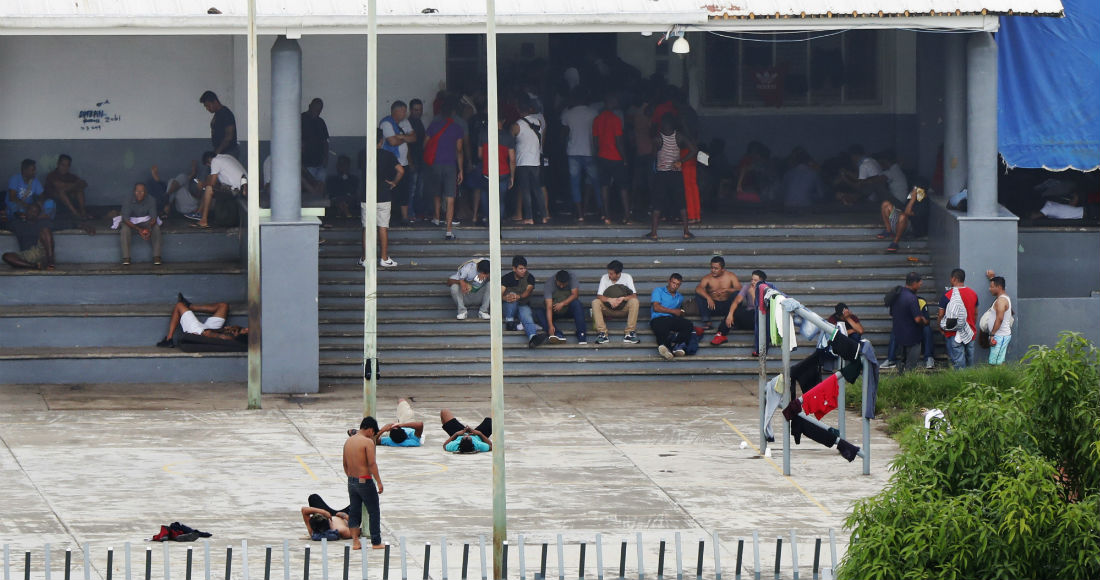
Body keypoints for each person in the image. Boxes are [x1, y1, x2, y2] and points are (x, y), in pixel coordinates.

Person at [646, 113, 695, 241]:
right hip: (676, 174)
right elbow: (693, 150)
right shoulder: (679, 137)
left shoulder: (657, 139)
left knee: (657, 204)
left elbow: (652, 156)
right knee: (681, 203)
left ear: (662, 124)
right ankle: (686, 232)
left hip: (662, 174)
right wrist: (681, 161)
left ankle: (654, 233)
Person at [359, 129, 403, 268]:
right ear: (381, 141)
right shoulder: (388, 155)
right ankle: (384, 258)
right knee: (382, 227)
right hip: (384, 195)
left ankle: (365, 258)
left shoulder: (362, 154)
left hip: (367, 194)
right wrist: (394, 183)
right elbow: (401, 170)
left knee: (367, 228)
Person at [424, 99, 465, 240]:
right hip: (450, 165)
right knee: (450, 197)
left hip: (435, 163)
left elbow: (425, 143)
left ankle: (436, 217)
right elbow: (459, 150)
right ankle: (448, 230)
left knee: (436, 191)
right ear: (454, 112)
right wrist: (461, 170)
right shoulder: (457, 128)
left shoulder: (433, 125)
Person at [342, 417, 384, 550]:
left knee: (354, 511)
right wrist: (379, 482)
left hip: (351, 480)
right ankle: (376, 542)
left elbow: (345, 463)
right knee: (374, 511)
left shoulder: (348, 441)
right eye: (373, 433)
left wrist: (350, 477)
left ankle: (355, 542)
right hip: (365, 480)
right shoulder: (367, 442)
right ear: (370, 429)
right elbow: (371, 463)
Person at [560, 89, 600, 222]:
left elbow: (564, 134)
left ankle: (580, 213)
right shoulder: (593, 113)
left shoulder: (567, 114)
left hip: (573, 152)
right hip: (590, 151)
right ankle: (602, 211)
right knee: (596, 182)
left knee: (575, 183)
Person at [592, 93, 631, 224]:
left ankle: (606, 215)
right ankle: (626, 216)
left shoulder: (597, 119)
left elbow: (595, 141)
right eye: (615, 101)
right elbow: (619, 141)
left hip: (602, 157)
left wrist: (597, 154)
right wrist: (625, 158)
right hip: (615, 157)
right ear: (610, 102)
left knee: (604, 186)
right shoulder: (616, 119)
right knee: (623, 187)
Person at [155, 293, 247, 347]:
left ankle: (169, 339)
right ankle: (190, 306)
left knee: (179, 306)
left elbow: (208, 334)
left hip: (200, 331)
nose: (247, 329)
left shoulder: (230, 337)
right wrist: (225, 329)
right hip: (213, 329)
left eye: (245, 330)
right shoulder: (240, 334)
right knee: (224, 306)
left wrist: (197, 336)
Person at [472, 113, 516, 227]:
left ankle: (490, 221)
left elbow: (480, 155)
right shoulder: (508, 136)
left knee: (486, 199)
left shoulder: (483, 134)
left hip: (487, 172)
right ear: (504, 120)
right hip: (503, 173)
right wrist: (512, 176)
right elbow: (512, 159)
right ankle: (498, 225)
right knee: (500, 201)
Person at [511, 96, 547, 225]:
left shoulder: (517, 125)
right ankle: (544, 216)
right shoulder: (538, 121)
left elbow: (511, 142)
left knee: (525, 190)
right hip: (535, 160)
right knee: (537, 190)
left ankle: (529, 217)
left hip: (522, 162)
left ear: (519, 110)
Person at [381, 100, 417, 223]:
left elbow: (414, 138)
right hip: (391, 163)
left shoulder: (405, 122)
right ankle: (387, 218)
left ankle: (405, 217)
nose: (405, 113)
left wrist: (401, 137)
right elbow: (392, 142)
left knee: (404, 191)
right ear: (395, 111)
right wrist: (405, 138)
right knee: (390, 189)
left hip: (404, 163)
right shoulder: (386, 123)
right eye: (403, 110)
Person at [191, 151, 246, 229]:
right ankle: (199, 213)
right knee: (208, 187)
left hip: (238, 190)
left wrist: (202, 185)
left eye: (208, 165)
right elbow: (216, 181)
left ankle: (203, 220)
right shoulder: (226, 157)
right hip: (241, 187)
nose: (210, 167)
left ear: (209, 160)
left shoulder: (215, 161)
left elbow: (212, 183)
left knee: (208, 189)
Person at [711, 270, 766, 346]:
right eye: (752, 279)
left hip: (759, 319)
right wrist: (730, 314)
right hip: (748, 318)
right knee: (734, 311)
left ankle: (760, 346)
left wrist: (753, 294)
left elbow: (758, 308)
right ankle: (721, 335)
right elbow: (736, 301)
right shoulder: (747, 287)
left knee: (756, 313)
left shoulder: (766, 290)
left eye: (755, 280)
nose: (752, 282)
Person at [592, 259, 640, 345]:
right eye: (608, 273)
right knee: (595, 302)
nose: (609, 275)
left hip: (623, 309)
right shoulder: (604, 277)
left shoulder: (627, 277)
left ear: (618, 274)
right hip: (608, 309)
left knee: (634, 301)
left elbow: (634, 295)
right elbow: (599, 296)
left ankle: (629, 333)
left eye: (611, 274)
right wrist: (609, 300)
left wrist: (623, 298)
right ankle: (602, 334)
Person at [501, 255, 546, 348]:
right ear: (514, 268)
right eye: (521, 269)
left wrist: (518, 296)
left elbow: (527, 292)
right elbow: (499, 294)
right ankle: (509, 322)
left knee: (527, 316)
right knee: (511, 297)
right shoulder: (506, 278)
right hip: (508, 307)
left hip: (522, 304)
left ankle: (533, 338)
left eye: (525, 268)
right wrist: (507, 298)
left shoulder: (530, 277)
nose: (523, 271)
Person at [938, 268, 979, 369]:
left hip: (953, 333)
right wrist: (972, 325)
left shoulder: (947, 295)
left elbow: (940, 315)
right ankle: (972, 382)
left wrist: (941, 327)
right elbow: (975, 313)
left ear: (954, 279)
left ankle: (961, 382)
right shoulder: (973, 294)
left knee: (958, 363)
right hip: (970, 332)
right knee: (970, 362)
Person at [649, 273, 696, 360]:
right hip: (658, 318)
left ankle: (676, 345)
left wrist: (681, 312)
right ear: (669, 281)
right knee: (663, 327)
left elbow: (679, 312)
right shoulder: (658, 291)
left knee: (688, 324)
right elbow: (656, 307)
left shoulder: (680, 297)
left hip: (671, 319)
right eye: (673, 283)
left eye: (677, 284)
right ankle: (664, 347)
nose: (675, 286)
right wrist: (673, 311)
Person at [890, 272, 929, 373]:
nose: (921, 285)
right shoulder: (912, 298)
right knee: (911, 368)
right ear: (914, 283)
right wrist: (924, 320)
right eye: (920, 283)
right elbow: (917, 319)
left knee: (901, 365)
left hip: (899, 335)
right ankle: (908, 385)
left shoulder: (897, 295)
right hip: (912, 338)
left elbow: (892, 314)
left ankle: (900, 385)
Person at [118, 183, 163, 266]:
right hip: (130, 221)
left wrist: (149, 229)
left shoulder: (151, 199)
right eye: (137, 191)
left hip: (146, 220)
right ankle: (126, 258)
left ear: (145, 192)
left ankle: (157, 256)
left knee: (156, 228)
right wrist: (139, 230)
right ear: (134, 192)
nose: (139, 193)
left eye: (142, 191)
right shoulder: (128, 200)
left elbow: (153, 218)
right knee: (124, 230)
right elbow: (126, 219)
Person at [878, 180, 930, 253]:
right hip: (901, 222)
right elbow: (903, 209)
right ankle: (888, 230)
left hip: (912, 228)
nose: (914, 191)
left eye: (916, 189)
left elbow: (907, 212)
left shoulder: (924, 203)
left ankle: (895, 243)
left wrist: (912, 200)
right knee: (885, 204)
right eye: (914, 188)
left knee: (903, 216)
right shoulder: (911, 197)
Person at [2, 202, 55, 270]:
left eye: (35, 212)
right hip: (26, 255)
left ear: (38, 215)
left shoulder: (42, 222)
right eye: (30, 210)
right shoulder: (17, 223)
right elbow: (3, 224)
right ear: (26, 211)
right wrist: (7, 215)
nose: (31, 213)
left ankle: (50, 262)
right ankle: (34, 266)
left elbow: (55, 227)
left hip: (40, 251)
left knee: (46, 230)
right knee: (6, 256)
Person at [694, 256, 741, 331]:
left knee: (738, 295)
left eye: (716, 268)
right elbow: (698, 289)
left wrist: (727, 290)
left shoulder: (730, 276)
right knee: (699, 294)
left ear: (722, 269)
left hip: (728, 307)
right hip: (713, 306)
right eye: (712, 268)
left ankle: (731, 321)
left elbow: (740, 289)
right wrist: (708, 297)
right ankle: (708, 323)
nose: (713, 270)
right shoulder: (707, 278)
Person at [544, 269, 587, 345]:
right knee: (539, 313)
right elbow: (549, 307)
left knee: (577, 304)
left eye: (564, 284)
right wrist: (550, 326)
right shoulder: (549, 284)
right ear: (555, 279)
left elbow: (575, 295)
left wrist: (562, 304)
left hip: (568, 309)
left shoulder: (572, 278)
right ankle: (558, 334)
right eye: (560, 284)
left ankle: (581, 335)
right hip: (555, 311)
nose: (562, 286)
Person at [44, 154, 91, 220]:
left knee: (79, 190)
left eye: (67, 165)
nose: (65, 168)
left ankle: (83, 213)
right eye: (63, 165)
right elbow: (59, 186)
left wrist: (72, 186)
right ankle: (76, 214)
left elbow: (84, 184)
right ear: (58, 164)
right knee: (61, 192)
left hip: (69, 202)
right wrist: (74, 185)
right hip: (55, 203)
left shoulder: (70, 176)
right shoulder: (52, 175)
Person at [301, 98, 331, 197]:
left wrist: (325, 159)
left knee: (320, 187)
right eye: (315, 109)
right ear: (310, 106)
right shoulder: (301, 119)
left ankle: (319, 209)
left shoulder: (321, 122)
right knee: (309, 188)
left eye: (319, 110)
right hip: (306, 164)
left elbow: (325, 141)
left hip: (320, 163)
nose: (317, 111)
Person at [405, 98, 428, 222]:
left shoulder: (419, 123)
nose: (418, 112)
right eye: (415, 110)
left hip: (421, 161)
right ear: (410, 110)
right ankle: (410, 213)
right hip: (413, 161)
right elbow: (406, 145)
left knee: (419, 189)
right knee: (412, 190)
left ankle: (417, 212)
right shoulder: (408, 123)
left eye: (420, 110)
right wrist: (410, 162)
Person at [984, 274, 1014, 365]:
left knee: (995, 363)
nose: (990, 289)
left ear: (999, 287)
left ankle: (998, 379)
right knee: (999, 361)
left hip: (1000, 336)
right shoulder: (1003, 298)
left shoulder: (1001, 300)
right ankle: (1001, 378)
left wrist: (992, 334)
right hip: (1000, 336)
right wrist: (991, 277)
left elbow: (1000, 318)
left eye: (992, 287)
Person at [199, 90, 239, 158]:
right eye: (205, 106)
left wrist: (217, 152)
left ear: (215, 101)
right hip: (221, 152)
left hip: (228, 152)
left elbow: (229, 136)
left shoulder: (226, 113)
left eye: (208, 105)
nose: (207, 108)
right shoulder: (217, 114)